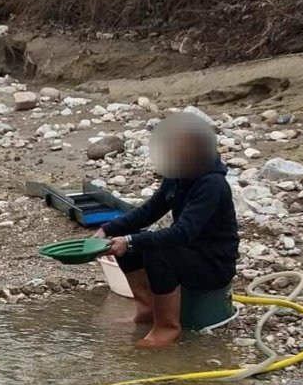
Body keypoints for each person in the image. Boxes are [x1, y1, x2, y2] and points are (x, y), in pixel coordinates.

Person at [95, 113, 239, 349]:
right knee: (130, 249)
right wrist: (107, 230)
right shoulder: (178, 176)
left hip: (214, 262)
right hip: (190, 252)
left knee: (156, 251)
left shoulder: (212, 185)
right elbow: (151, 209)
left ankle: (167, 328)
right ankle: (147, 311)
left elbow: (183, 233)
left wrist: (131, 240)